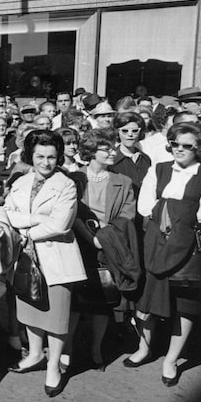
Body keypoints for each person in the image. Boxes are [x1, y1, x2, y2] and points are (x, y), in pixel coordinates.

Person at [3, 130, 86, 398]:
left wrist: (26, 231)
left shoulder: (66, 184)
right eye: (40, 156)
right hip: (27, 256)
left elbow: (61, 224)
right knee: (30, 307)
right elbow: (8, 212)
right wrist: (34, 220)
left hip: (56, 256)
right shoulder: (20, 181)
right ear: (31, 155)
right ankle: (36, 354)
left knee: (56, 315)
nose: (46, 162)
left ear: (58, 156)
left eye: (51, 157)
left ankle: (53, 365)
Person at [128, 122, 201, 386]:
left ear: (198, 147)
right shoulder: (159, 169)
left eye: (187, 145)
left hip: (189, 247)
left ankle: (171, 360)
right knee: (150, 295)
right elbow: (144, 206)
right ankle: (144, 348)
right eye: (175, 144)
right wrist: (175, 211)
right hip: (156, 243)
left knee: (185, 304)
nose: (180, 149)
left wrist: (172, 211)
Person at [65, 129, 136, 371]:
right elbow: (69, 211)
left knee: (102, 300)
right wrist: (90, 237)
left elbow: (127, 215)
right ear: (91, 152)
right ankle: (67, 348)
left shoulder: (123, 181)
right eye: (107, 149)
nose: (113, 152)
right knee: (75, 301)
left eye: (113, 148)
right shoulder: (74, 178)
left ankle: (96, 348)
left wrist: (105, 235)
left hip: (107, 246)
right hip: (77, 244)